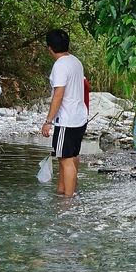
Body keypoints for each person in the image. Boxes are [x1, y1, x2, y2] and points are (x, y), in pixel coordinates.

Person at [40, 29, 88, 197]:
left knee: (64, 159)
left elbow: (59, 94)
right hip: (80, 117)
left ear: (49, 48)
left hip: (67, 119)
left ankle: (67, 200)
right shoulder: (75, 61)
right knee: (71, 155)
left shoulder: (59, 66)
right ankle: (62, 190)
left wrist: (48, 121)